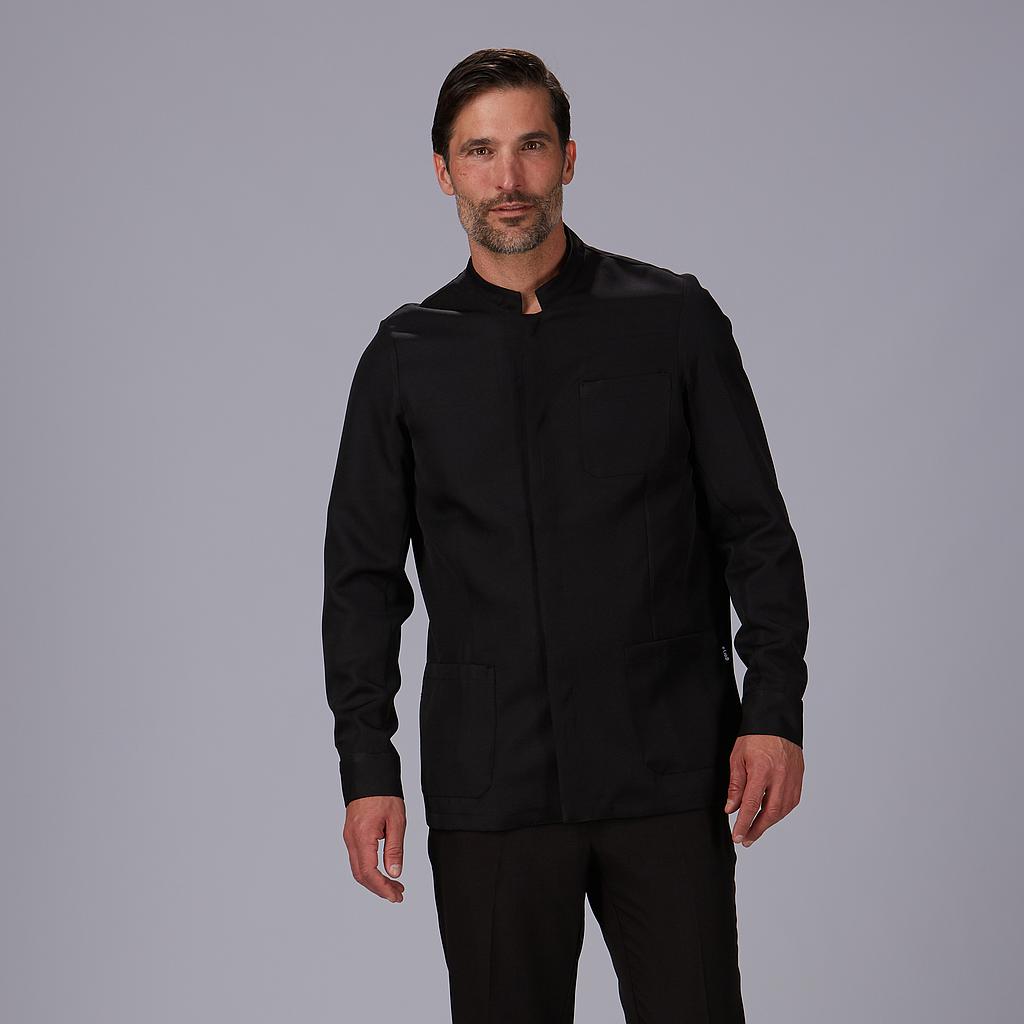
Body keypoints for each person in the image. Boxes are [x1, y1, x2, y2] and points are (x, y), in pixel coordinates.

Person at [321, 46, 809, 1024]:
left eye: (531, 146)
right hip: (492, 784)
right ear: (444, 171)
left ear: (569, 158)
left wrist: (774, 709)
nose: (508, 177)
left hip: (668, 767)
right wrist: (367, 766)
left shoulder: (672, 320)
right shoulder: (405, 357)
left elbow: (755, 529)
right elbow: (363, 580)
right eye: (480, 151)